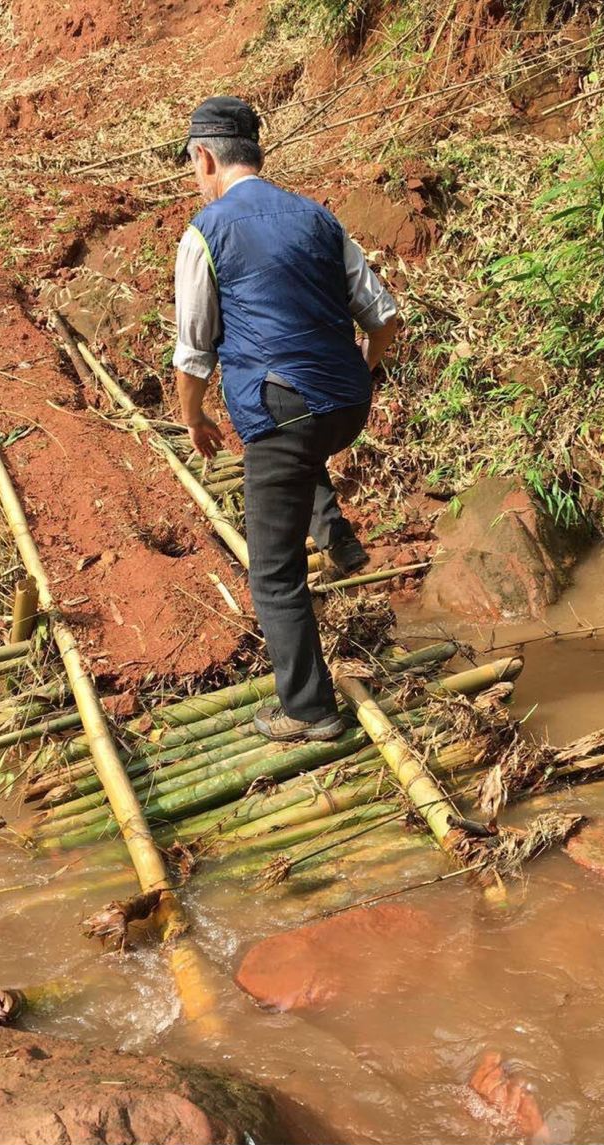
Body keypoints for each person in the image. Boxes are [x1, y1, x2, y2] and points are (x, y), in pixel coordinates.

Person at [173, 95, 399, 743]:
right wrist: (362, 370)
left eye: (192, 167)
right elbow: (384, 318)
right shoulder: (318, 217)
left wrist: (193, 418)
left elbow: (193, 353)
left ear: (205, 157)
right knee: (300, 442)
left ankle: (308, 710)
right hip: (345, 405)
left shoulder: (206, 230)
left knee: (273, 574)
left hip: (284, 410)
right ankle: (334, 531)